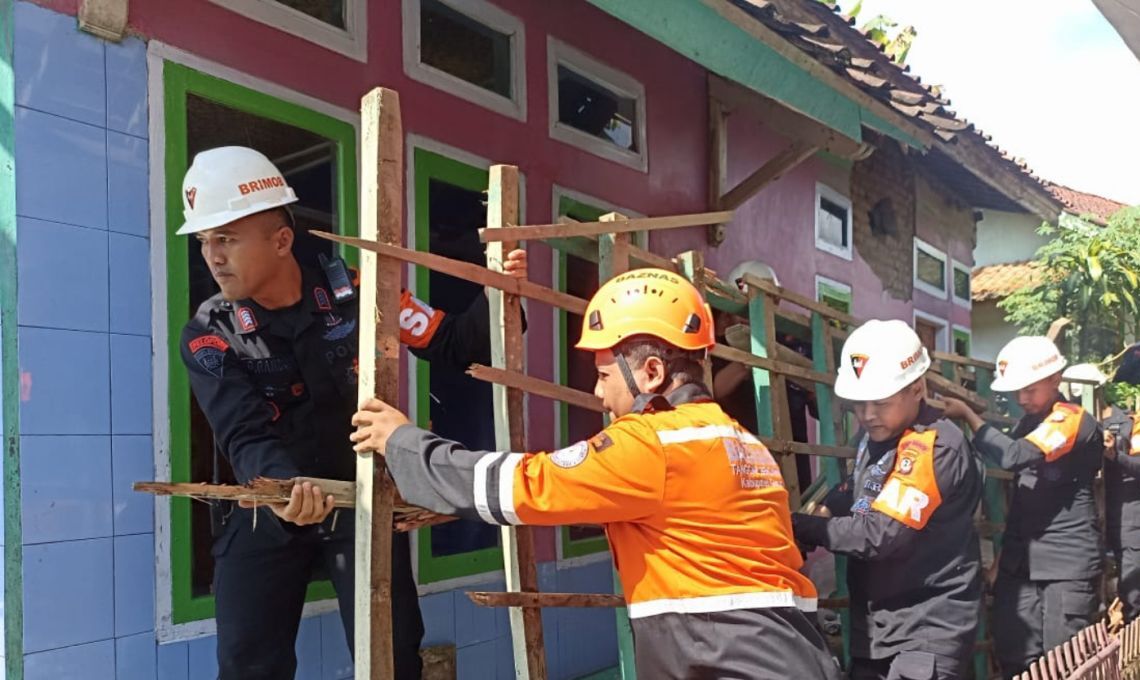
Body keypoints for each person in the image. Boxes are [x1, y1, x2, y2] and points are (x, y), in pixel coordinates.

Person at [351, 268, 841, 679]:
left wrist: (402, 440)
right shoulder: (741, 443)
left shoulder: (654, 445)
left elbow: (520, 486)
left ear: (650, 373)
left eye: (605, 375)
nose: (599, 394)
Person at [176, 146, 527, 679]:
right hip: (269, 505)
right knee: (249, 665)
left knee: (391, 656)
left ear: (281, 240)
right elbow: (242, 434)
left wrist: (500, 290)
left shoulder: (361, 291)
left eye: (225, 238)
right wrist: (283, 491)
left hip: (360, 500)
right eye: (205, 241)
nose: (212, 256)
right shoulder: (210, 333)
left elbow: (457, 343)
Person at [792, 320, 983, 680]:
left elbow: (878, 533)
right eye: (859, 404)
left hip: (926, 628)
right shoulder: (883, 436)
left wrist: (801, 525)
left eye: (880, 402)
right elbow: (862, 487)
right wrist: (831, 505)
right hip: (879, 628)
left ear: (917, 388)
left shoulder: (933, 445)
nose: (867, 415)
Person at [942, 336, 1102, 679]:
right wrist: (1001, 561)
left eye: (1029, 389)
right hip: (1022, 564)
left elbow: (1015, 457)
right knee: (1017, 656)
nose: (1021, 398)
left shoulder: (1071, 420)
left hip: (1065, 566)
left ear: (1056, 379)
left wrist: (969, 416)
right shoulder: (1026, 425)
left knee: (1063, 662)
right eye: (1017, 391)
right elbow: (1023, 503)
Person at [1098, 362, 1140, 623]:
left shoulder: (1129, 425)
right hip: (1099, 517)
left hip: (1129, 518)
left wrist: (1115, 455)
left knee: (1133, 588)